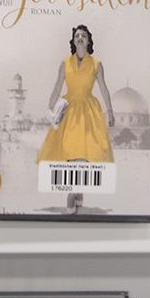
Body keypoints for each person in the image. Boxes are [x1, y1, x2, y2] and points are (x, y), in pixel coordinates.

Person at [36, 24, 115, 212]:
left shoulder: (96, 65)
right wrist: (50, 108)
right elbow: (57, 86)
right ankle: (75, 193)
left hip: (89, 113)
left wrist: (110, 111)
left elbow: (103, 88)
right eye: (77, 35)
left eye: (84, 36)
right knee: (70, 153)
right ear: (73, 40)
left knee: (84, 155)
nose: (80, 38)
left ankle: (75, 193)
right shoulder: (65, 63)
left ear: (88, 41)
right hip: (69, 111)